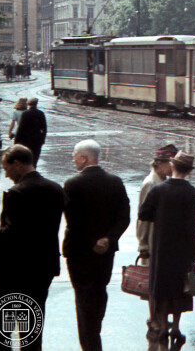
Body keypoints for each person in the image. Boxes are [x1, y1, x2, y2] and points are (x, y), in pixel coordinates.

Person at [0, 145, 64, 351]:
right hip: (43, 267)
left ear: (18, 164)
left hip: (14, 271)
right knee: (31, 328)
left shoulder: (17, 193)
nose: (6, 174)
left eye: (7, 168)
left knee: (1, 330)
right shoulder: (56, 189)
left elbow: (13, 234)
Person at [63, 139, 130, 351]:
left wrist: (92, 241)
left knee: (83, 295)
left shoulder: (72, 184)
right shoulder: (115, 182)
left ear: (84, 158)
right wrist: (109, 238)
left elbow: (73, 221)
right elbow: (124, 216)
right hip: (106, 251)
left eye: (75, 156)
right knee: (100, 290)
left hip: (80, 251)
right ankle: (95, 330)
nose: (73, 160)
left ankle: (90, 342)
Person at [138, 151, 195, 346]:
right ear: (189, 171)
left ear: (172, 166)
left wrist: (162, 216)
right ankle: (176, 327)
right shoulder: (190, 192)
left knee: (162, 288)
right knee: (179, 287)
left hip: (161, 247)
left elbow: (144, 213)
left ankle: (163, 325)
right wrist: (194, 253)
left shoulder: (158, 190)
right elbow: (193, 225)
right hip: (181, 249)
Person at [137, 144, 178, 335]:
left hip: (161, 239)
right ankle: (153, 318)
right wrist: (143, 243)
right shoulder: (150, 183)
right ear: (160, 164)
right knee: (151, 281)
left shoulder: (162, 181)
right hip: (152, 239)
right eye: (171, 164)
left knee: (158, 281)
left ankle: (159, 317)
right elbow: (142, 217)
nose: (173, 168)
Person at [14, 97, 47, 167]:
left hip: (26, 140)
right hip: (37, 140)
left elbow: (21, 129)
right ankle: (34, 170)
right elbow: (44, 128)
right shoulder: (40, 114)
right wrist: (42, 139)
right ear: (36, 104)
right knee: (35, 159)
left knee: (27, 158)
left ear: (28, 104)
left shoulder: (25, 114)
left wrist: (16, 141)